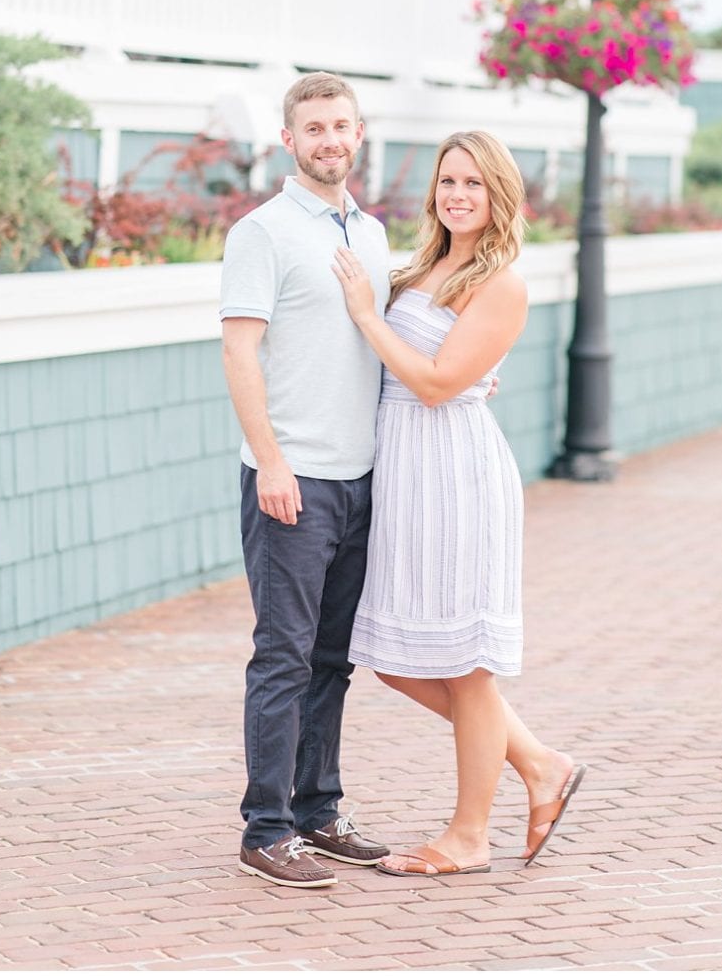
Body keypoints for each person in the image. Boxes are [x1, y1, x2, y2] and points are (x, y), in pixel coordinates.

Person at [331, 129, 584, 877]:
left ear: (498, 193)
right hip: (407, 473)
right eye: (448, 180)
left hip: (456, 477)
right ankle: (539, 763)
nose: (458, 194)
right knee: (398, 660)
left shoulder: (500, 279)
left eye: (474, 182)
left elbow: (438, 384)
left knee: (466, 665)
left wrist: (366, 314)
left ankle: (471, 833)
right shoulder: (425, 266)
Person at [221, 73, 394, 887]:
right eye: (314, 127)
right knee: (283, 657)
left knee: (332, 659)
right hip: (294, 482)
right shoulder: (263, 232)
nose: (330, 139)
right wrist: (272, 460)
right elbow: (239, 351)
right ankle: (265, 828)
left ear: (360, 134)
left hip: (360, 479)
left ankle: (318, 812)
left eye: (341, 125)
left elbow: (380, 344)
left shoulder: (373, 232)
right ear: (289, 140)